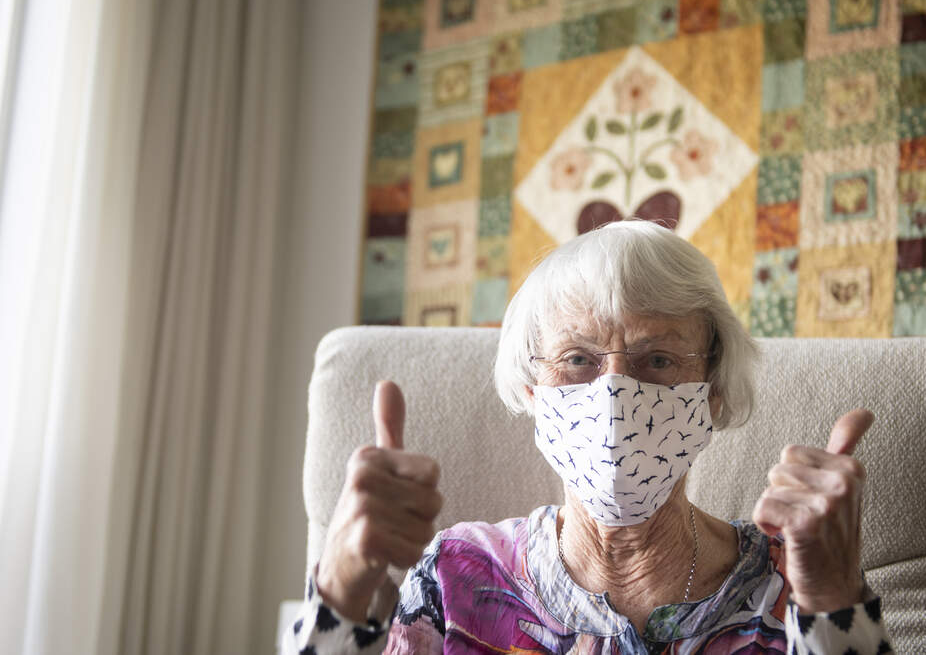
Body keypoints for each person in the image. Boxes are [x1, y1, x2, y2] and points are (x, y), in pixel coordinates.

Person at [284, 220, 891, 654]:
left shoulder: (791, 582)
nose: (614, 395)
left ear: (713, 393)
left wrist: (833, 600)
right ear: (532, 390)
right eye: (577, 359)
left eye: (658, 360)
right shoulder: (456, 577)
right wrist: (341, 586)